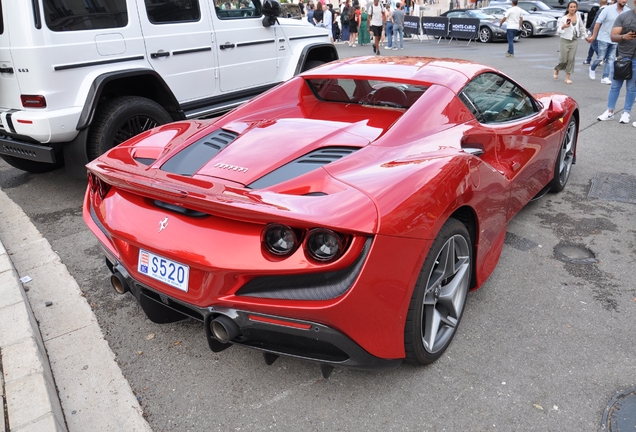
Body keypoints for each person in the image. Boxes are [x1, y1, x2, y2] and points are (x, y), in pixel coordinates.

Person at [597, 0, 636, 125]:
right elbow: (613, 36)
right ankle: (609, 111)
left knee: (631, 87)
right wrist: (624, 37)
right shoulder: (624, 16)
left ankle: (626, 113)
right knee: (615, 86)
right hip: (622, 57)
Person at [587, 0, 630, 84]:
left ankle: (605, 77)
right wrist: (593, 36)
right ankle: (592, 68)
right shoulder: (607, 9)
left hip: (616, 39)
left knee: (610, 59)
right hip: (604, 37)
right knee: (600, 57)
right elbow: (598, 22)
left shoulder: (627, 11)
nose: (624, 0)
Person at [554, 1, 586, 84]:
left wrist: (586, 37)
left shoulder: (578, 16)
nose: (573, 8)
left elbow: (582, 27)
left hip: (574, 40)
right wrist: (564, 26)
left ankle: (567, 78)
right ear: (568, 8)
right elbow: (558, 31)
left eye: (574, 7)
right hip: (564, 40)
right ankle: (557, 69)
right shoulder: (564, 18)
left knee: (571, 59)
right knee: (563, 60)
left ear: (576, 8)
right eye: (571, 7)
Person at [584, 0, 608, 65]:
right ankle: (588, 59)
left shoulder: (600, 11)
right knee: (592, 45)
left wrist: (590, 30)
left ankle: (602, 58)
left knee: (594, 45)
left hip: (597, 30)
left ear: (600, 3)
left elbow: (595, 21)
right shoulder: (608, 10)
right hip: (605, 30)